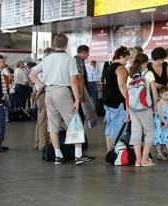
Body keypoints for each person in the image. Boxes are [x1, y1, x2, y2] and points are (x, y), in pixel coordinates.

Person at [29, 34, 93, 165]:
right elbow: (74, 80)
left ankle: (58, 155)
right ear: (66, 44)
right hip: (62, 92)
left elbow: (32, 74)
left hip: (49, 92)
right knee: (74, 123)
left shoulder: (47, 59)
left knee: (53, 125)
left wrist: (41, 85)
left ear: (54, 44)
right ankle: (78, 155)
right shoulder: (69, 59)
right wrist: (76, 99)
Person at [127, 53, 157, 167]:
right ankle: (145, 160)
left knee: (136, 132)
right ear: (145, 63)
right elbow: (154, 91)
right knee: (149, 133)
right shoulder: (148, 74)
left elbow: (127, 92)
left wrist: (127, 110)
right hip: (144, 107)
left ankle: (138, 161)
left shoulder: (131, 74)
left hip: (132, 107)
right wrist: (154, 105)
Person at [103, 46, 130, 151]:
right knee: (118, 127)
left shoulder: (109, 68)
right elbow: (122, 85)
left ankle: (110, 151)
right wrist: (128, 99)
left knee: (109, 127)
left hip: (108, 101)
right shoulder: (121, 68)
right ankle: (116, 151)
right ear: (122, 56)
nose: (127, 61)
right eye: (126, 59)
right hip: (118, 102)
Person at [33, 47, 54, 150]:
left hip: (40, 94)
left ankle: (38, 142)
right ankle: (42, 144)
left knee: (40, 120)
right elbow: (43, 83)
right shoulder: (46, 67)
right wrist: (41, 89)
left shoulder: (39, 66)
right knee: (44, 120)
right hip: (44, 93)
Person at [0, 54, 9, 153]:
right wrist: (0, 98)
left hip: (0, 103)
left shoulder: (0, 73)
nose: (1, 64)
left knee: (1, 125)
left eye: (2, 62)